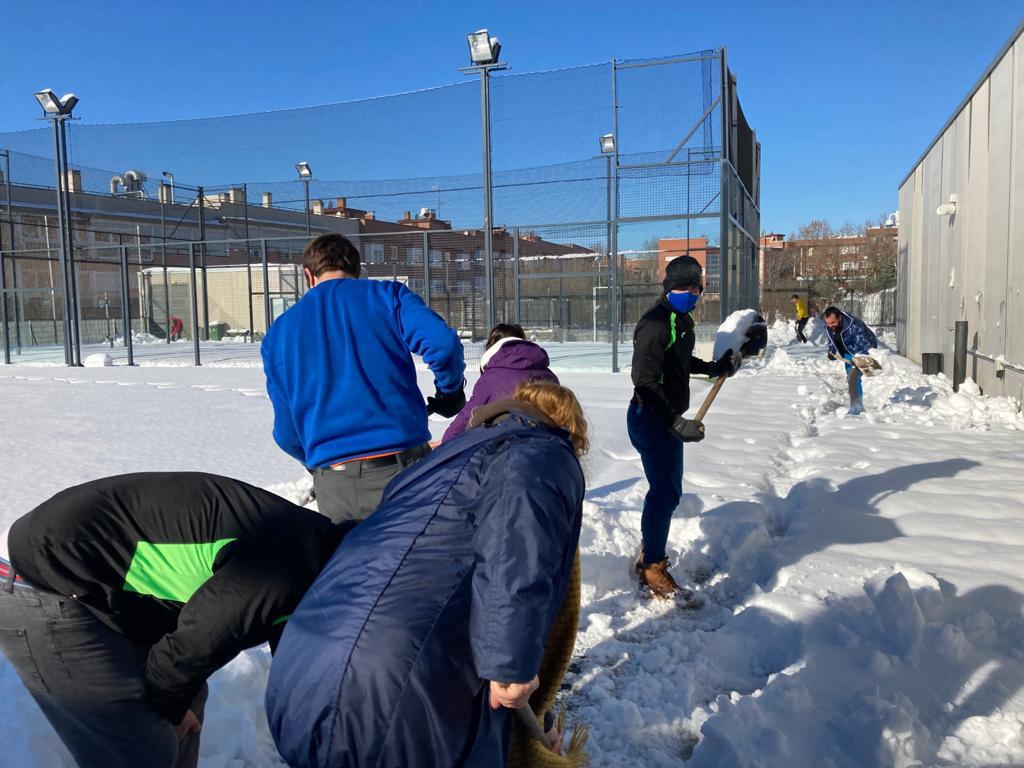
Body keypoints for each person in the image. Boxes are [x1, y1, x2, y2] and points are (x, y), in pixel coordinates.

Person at [266, 381, 588, 767]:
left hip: (304, 669)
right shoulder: (538, 453)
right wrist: (510, 666)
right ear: (569, 430)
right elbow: (513, 550)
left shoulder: (444, 460)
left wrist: (539, 713)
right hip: (388, 691)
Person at [0, 472, 349, 768]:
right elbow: (191, 649)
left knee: (185, 706)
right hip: (41, 581)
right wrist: (171, 706)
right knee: (140, 751)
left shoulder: (316, 542)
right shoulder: (278, 571)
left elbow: (291, 657)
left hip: (102, 574)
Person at [261, 233, 466, 524]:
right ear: (357, 270)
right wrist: (450, 391)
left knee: (351, 567)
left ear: (308, 275)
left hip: (335, 486)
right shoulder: (387, 297)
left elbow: (286, 432)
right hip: (402, 471)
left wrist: (323, 462)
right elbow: (442, 345)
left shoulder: (278, 333)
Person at [628, 255, 739, 600]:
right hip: (651, 418)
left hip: (666, 419)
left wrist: (713, 366)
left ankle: (650, 555)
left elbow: (680, 359)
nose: (690, 293)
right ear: (668, 288)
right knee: (664, 493)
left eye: (695, 287)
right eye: (683, 287)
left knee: (668, 492)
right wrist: (675, 421)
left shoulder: (683, 321)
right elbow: (644, 380)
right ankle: (652, 566)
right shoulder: (656, 324)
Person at [441, 322, 558, 442]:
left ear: (491, 346)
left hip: (506, 443)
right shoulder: (549, 376)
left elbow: (468, 414)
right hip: (547, 441)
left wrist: (446, 443)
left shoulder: (492, 377)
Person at [823, 306, 878, 416]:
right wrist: (831, 351)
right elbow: (831, 338)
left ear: (840, 318)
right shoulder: (830, 325)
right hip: (847, 352)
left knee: (853, 378)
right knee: (850, 378)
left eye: (833, 322)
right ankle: (856, 404)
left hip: (864, 351)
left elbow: (864, 347)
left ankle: (856, 408)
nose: (830, 326)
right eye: (828, 323)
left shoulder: (855, 326)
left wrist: (858, 360)